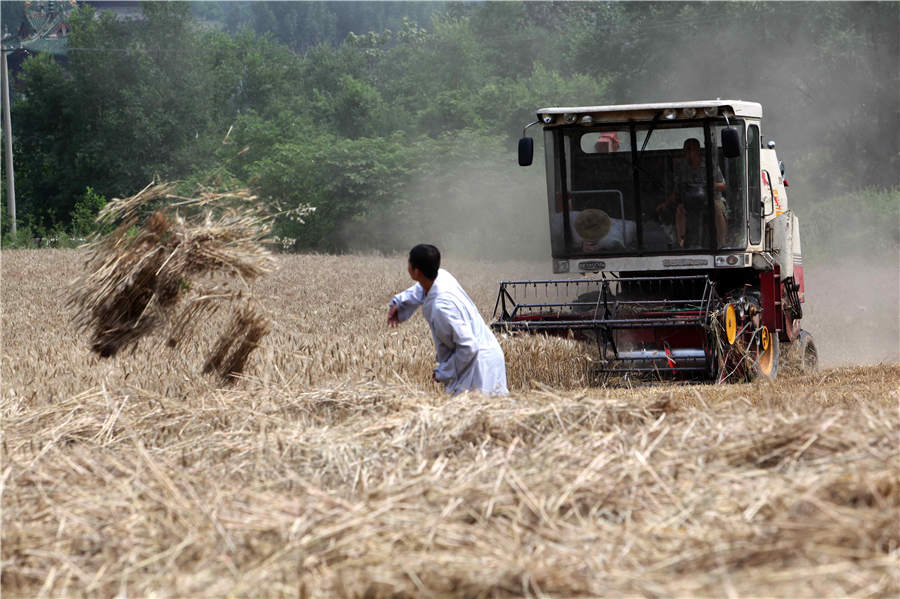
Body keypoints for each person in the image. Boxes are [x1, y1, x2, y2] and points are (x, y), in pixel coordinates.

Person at [387, 244, 508, 395]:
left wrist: (443, 372)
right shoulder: (442, 276)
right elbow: (421, 289)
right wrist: (400, 302)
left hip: (478, 368)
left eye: (409, 263)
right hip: (489, 355)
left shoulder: (441, 308)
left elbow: (468, 346)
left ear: (416, 271)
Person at [656, 138, 727, 248]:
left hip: (710, 199)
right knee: (679, 209)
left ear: (698, 150)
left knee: (717, 208)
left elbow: (723, 186)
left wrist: (710, 185)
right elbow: (677, 191)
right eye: (685, 150)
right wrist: (665, 204)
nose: (687, 153)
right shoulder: (682, 168)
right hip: (689, 201)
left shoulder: (710, 165)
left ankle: (721, 243)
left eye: (690, 149)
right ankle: (681, 244)